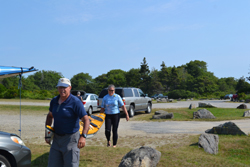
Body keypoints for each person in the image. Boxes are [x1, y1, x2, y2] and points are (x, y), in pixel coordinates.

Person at [45, 78, 90, 167]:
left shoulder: (75, 102)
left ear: (70, 88)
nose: (62, 90)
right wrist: (47, 133)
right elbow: (50, 116)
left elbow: (86, 119)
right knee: (52, 164)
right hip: (56, 139)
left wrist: (83, 136)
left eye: (64, 87)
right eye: (60, 87)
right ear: (57, 88)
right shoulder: (54, 101)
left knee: (71, 165)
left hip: (71, 139)